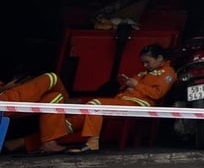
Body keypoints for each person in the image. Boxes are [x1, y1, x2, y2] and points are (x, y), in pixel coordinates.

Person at [0, 45, 177, 153]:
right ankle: (21, 134)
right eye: (144, 62)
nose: (145, 66)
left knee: (78, 102)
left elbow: (157, 95)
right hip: (122, 101)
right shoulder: (144, 73)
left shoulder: (167, 74)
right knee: (56, 94)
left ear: (160, 58)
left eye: (148, 62)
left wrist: (135, 84)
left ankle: (91, 142)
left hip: (136, 105)